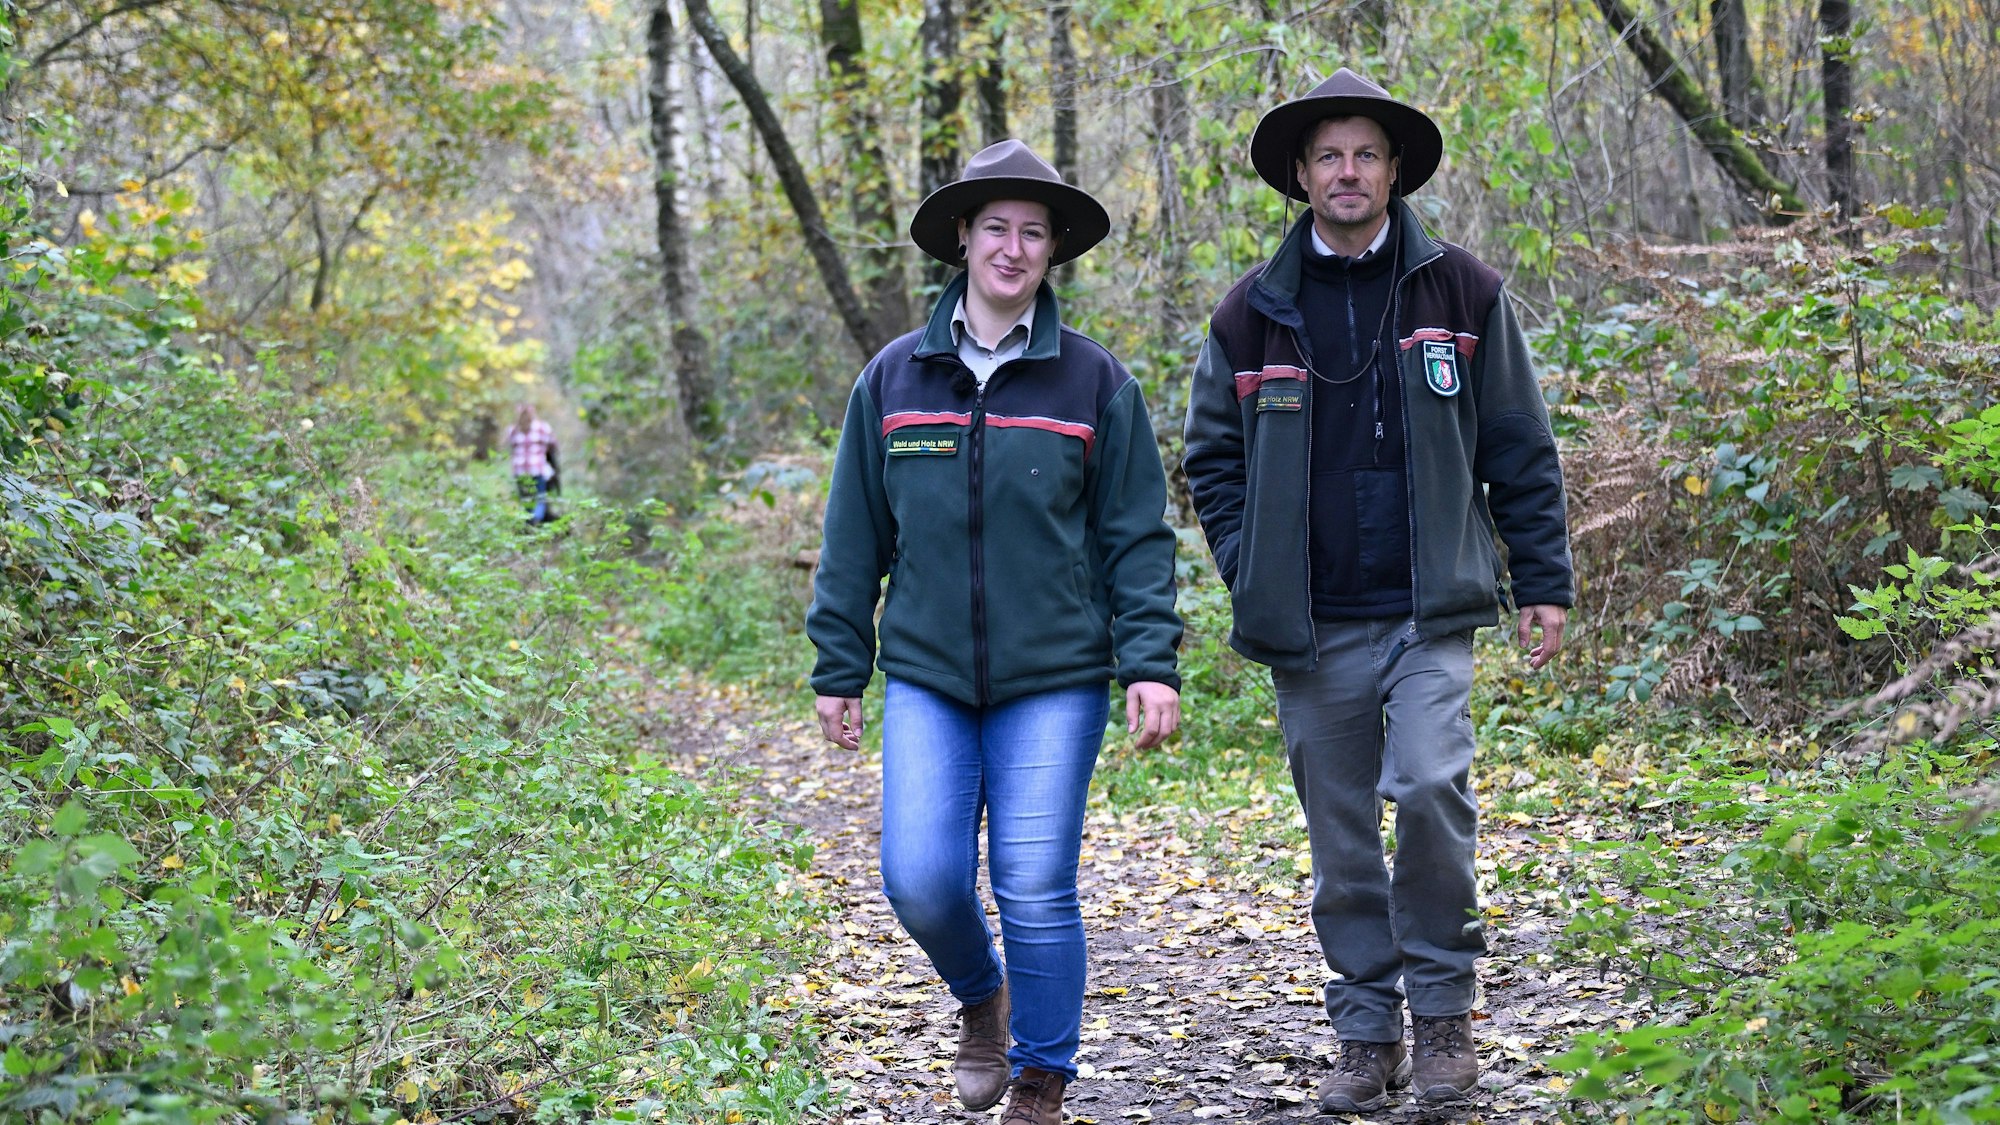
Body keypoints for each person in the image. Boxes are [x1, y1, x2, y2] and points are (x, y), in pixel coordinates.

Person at [1181, 69, 1573, 1113]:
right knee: (1341, 838)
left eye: (1364, 154)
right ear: (1300, 177)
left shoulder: (1463, 294)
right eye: (1327, 157)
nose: (1345, 172)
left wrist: (1541, 579)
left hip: (1426, 609)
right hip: (1309, 627)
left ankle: (1442, 1017)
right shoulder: (1251, 315)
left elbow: (1518, 446)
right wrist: (1248, 561)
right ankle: (1366, 1033)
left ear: (1393, 171)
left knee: (1433, 790)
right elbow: (1209, 465)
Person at [807, 139, 1183, 1125]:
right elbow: (855, 535)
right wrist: (838, 667)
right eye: (994, 228)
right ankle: (982, 996)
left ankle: (1039, 1079)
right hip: (927, 673)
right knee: (919, 877)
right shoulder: (892, 379)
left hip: (1054, 676)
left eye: (1031, 231)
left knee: (1032, 881)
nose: (1012, 248)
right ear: (962, 241)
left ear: (1050, 250)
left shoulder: (1093, 383)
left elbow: (1135, 538)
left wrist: (1149, 662)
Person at [505, 403, 557, 524]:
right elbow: (553, 444)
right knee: (540, 498)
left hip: (520, 471)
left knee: (526, 499)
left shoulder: (512, 430)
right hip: (537, 468)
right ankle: (536, 520)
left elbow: (508, 446)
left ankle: (529, 522)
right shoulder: (543, 428)